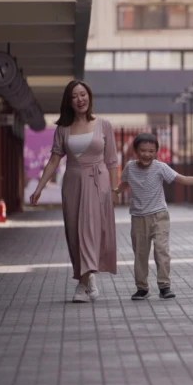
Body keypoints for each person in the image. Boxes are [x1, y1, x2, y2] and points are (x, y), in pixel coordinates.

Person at [30, 80, 119, 303]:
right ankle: (87, 278)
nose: (80, 99)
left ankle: (83, 282)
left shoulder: (104, 125)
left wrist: (114, 190)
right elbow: (53, 160)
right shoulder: (63, 129)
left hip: (98, 183)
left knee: (89, 231)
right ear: (69, 102)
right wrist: (39, 188)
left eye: (83, 95)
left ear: (89, 97)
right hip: (72, 183)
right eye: (74, 96)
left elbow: (112, 161)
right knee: (74, 233)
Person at [115, 132, 193, 301]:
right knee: (140, 254)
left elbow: (183, 179)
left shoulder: (160, 167)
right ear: (136, 151)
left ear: (156, 152)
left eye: (151, 151)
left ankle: (164, 286)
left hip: (159, 216)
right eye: (143, 150)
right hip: (138, 218)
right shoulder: (129, 167)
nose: (147, 154)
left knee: (161, 250)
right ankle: (142, 288)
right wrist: (115, 192)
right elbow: (124, 183)